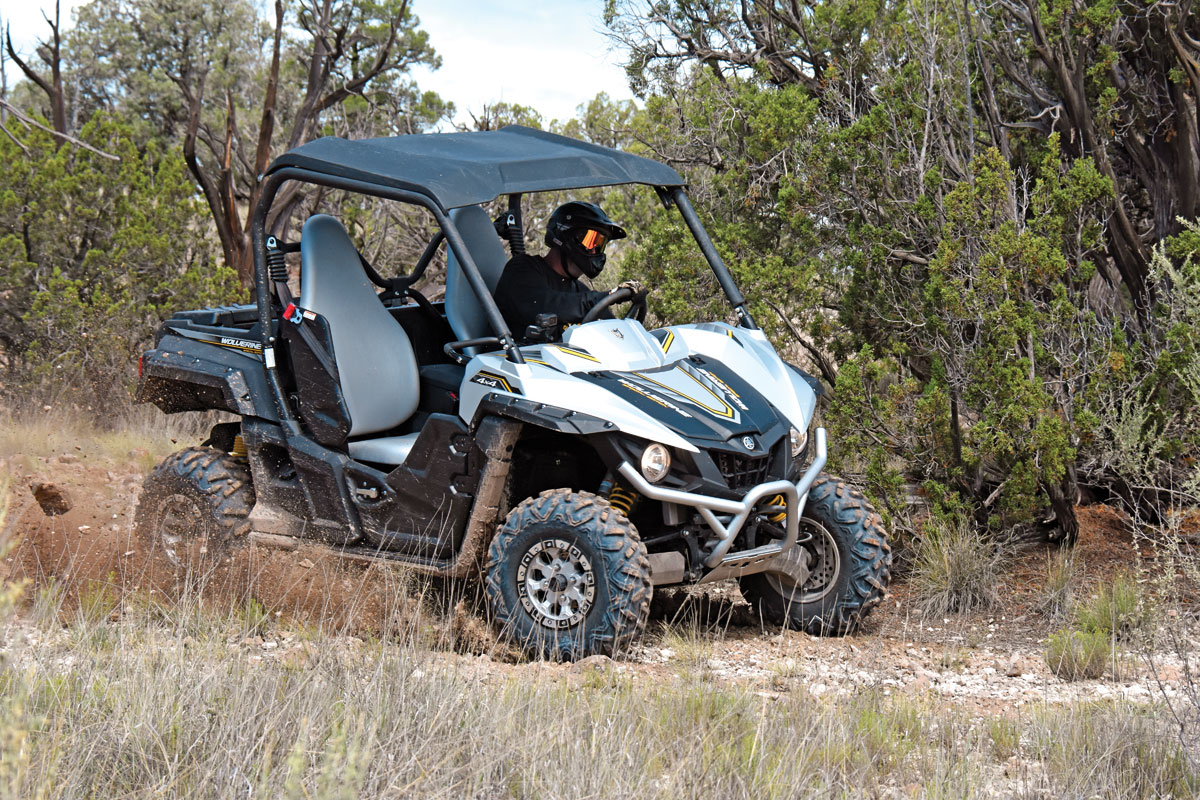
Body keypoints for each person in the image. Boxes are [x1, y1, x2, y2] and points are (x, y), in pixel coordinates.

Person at [493, 201, 644, 340]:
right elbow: (546, 305)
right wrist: (604, 297)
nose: (595, 251)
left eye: (600, 245)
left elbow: (610, 326)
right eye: (591, 241)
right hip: (511, 362)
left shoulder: (578, 290)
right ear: (565, 235)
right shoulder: (522, 269)